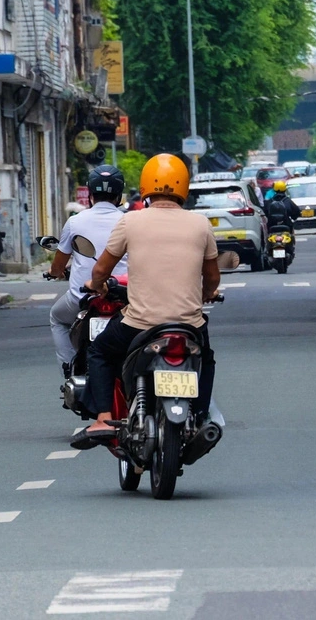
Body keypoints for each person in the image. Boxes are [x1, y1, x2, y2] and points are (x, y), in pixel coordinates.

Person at [71, 154, 220, 449]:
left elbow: (101, 269)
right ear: (184, 187)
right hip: (189, 325)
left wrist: (95, 285)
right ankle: (200, 416)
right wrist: (205, 294)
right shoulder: (201, 224)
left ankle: (103, 418)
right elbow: (213, 278)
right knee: (207, 358)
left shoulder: (131, 221)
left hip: (139, 325)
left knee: (99, 351)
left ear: (145, 186)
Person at [47, 165, 129, 376]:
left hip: (81, 298)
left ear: (90, 195)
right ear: (119, 195)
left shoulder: (75, 222)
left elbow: (57, 266)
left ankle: (69, 370)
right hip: (123, 296)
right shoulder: (129, 221)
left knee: (57, 318)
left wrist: (56, 272)